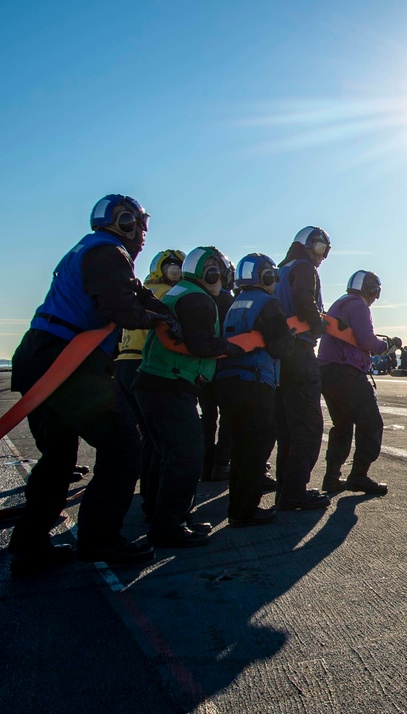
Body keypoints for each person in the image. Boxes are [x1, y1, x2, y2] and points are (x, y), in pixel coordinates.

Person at [9, 194, 173, 573]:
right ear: (126, 222)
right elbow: (121, 308)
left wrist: (163, 308)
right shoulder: (109, 253)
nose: (143, 234)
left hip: (43, 356)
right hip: (66, 360)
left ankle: (29, 545)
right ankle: (100, 539)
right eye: (141, 225)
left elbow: (136, 293)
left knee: (59, 458)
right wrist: (160, 322)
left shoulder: (91, 250)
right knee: (122, 446)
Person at [134, 247, 244, 547]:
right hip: (170, 383)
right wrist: (230, 347)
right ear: (210, 273)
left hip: (153, 382)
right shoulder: (198, 299)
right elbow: (200, 343)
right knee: (186, 458)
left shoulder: (179, 292)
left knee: (164, 456)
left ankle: (163, 516)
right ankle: (168, 527)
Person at [213, 253, 295, 527]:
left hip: (227, 381)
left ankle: (237, 505)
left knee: (239, 446)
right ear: (267, 277)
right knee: (257, 445)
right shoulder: (269, 304)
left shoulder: (235, 303)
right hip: (254, 382)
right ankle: (245, 509)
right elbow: (281, 347)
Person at [114, 248, 186, 522]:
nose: (176, 271)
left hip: (124, 362)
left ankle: (147, 497)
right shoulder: (166, 296)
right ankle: (156, 502)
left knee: (147, 437)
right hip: (145, 364)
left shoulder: (142, 290)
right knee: (160, 440)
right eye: (173, 266)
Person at [318, 271, 400, 496]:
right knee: (371, 423)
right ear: (373, 290)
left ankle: (331, 478)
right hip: (347, 373)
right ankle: (359, 476)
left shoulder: (341, 303)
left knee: (342, 425)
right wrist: (387, 347)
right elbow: (367, 341)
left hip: (327, 373)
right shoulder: (359, 306)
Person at [274, 226, 332, 511]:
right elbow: (303, 299)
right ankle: (295, 491)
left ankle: (286, 488)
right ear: (309, 245)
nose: (323, 256)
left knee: (286, 426)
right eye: (322, 248)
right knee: (309, 425)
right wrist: (319, 324)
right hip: (300, 350)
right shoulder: (305, 267)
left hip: (281, 354)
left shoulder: (281, 269)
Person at [199, 266, 235, 482]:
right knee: (228, 418)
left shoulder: (200, 298)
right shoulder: (227, 301)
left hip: (203, 368)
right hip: (225, 367)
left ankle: (205, 465)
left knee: (208, 418)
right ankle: (221, 464)